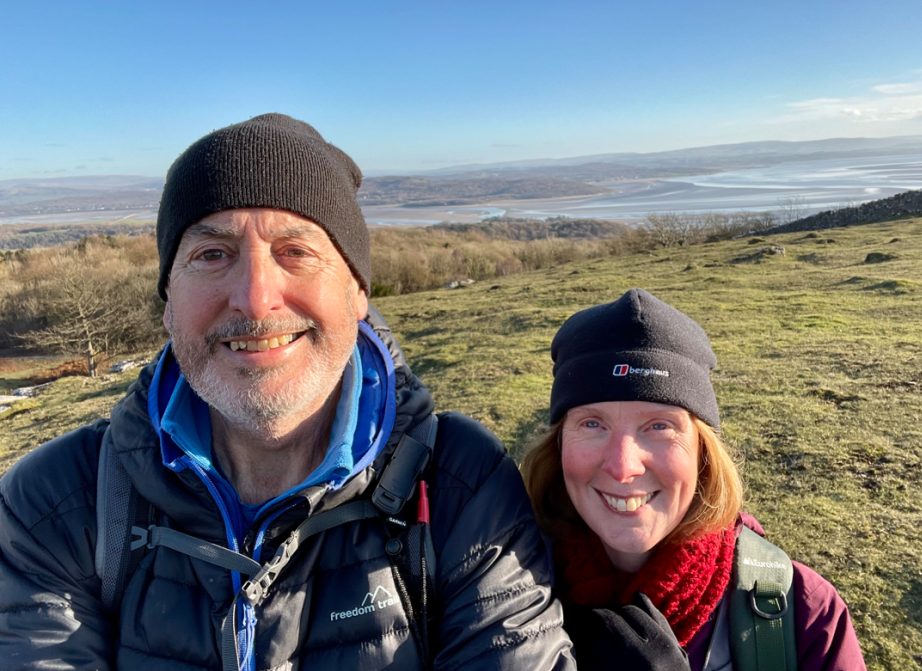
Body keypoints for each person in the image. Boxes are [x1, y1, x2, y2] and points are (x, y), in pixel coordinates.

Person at [0, 114, 573, 671]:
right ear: (168, 301)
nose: (255, 298)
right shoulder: (58, 503)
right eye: (211, 254)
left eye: (295, 252)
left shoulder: (461, 487)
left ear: (357, 293)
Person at [523, 288, 866, 671]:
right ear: (558, 446)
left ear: (703, 451)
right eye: (592, 424)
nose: (623, 467)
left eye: (659, 426)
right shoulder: (498, 587)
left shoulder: (805, 615)